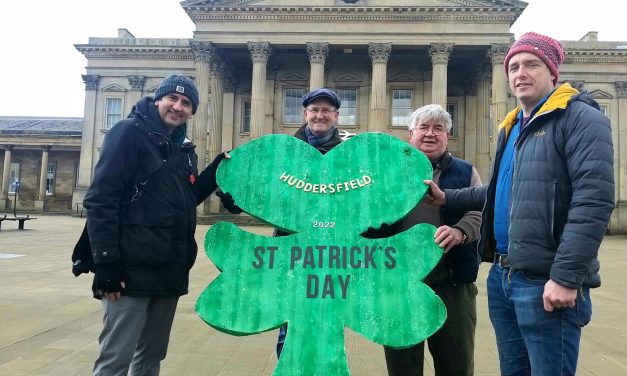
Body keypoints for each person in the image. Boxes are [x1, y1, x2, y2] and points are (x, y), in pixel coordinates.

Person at [424, 32, 615, 375]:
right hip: (503, 275)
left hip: (545, 279)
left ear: (553, 72)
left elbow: (594, 200)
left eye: (532, 64)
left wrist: (567, 277)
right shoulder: (512, 127)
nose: (520, 73)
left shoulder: (579, 117)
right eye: (513, 66)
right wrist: (447, 197)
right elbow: (500, 190)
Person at [81, 74, 229, 375]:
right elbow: (100, 199)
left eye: (186, 102)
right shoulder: (128, 133)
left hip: (168, 269)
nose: (178, 106)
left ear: (192, 111)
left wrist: (214, 171)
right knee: (115, 359)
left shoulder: (185, 149)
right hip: (130, 271)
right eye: (172, 98)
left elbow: (185, 199)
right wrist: (106, 262)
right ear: (158, 99)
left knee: (151, 356)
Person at [373, 104, 482, 376]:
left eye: (438, 128)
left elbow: (480, 210)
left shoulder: (466, 171)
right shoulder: (388, 172)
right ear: (411, 134)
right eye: (423, 127)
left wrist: (460, 231)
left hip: (452, 283)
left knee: (455, 364)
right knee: (402, 366)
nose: (430, 134)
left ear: (448, 134)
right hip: (398, 283)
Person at [275, 87, 344, 357]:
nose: (320, 115)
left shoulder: (349, 154)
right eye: (314, 110)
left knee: (329, 323)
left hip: (334, 252)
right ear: (305, 114)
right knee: (289, 320)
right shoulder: (284, 152)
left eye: (326, 110)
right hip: (290, 249)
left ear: (336, 115)